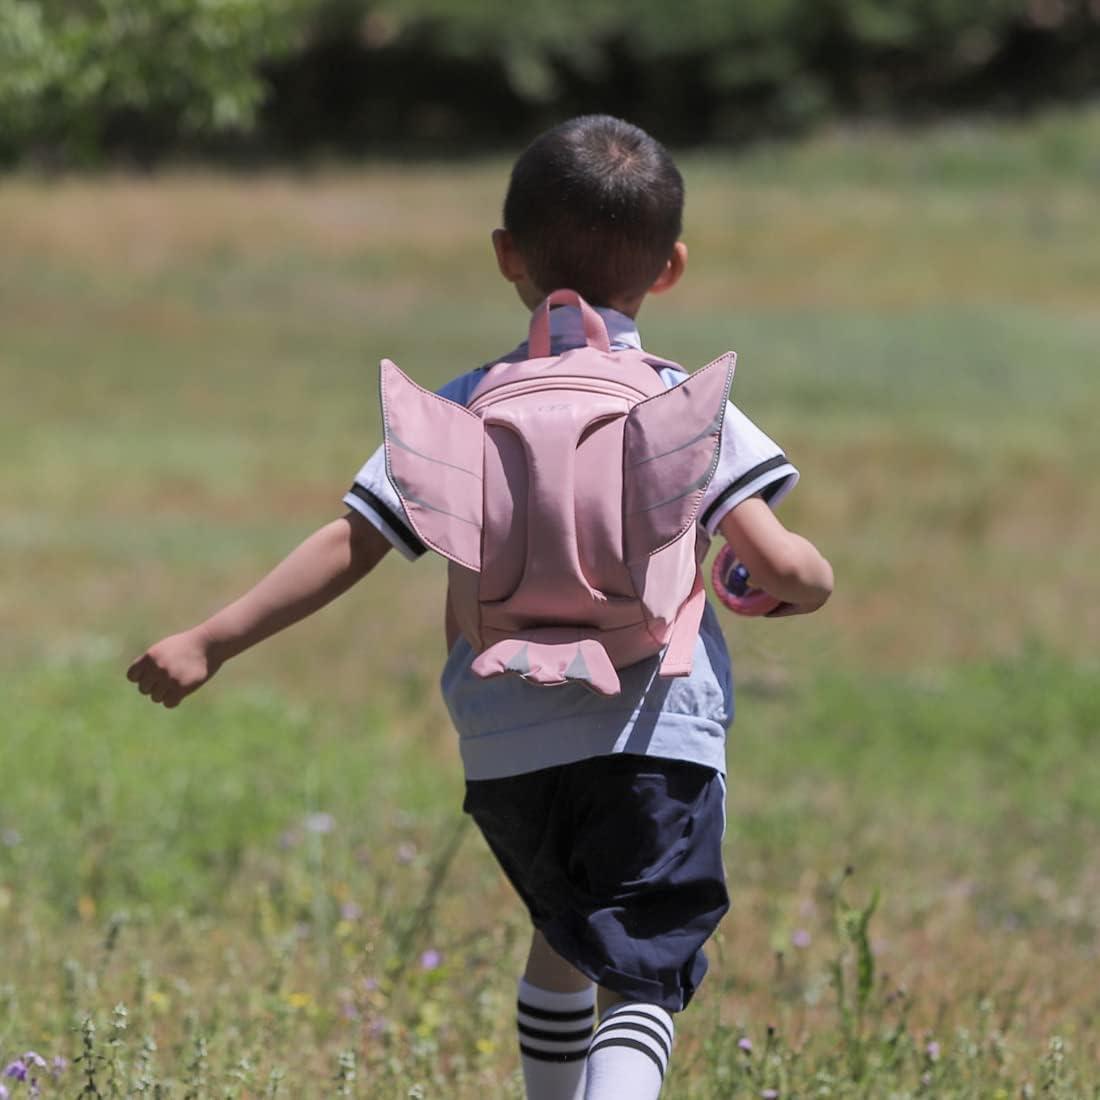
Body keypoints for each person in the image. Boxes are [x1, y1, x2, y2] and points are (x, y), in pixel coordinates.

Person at [126, 114, 833, 1099]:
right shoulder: (676, 399)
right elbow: (774, 559)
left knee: (562, 938)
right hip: (651, 729)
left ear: (506, 253)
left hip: (505, 746)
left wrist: (211, 637)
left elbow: (351, 542)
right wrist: (803, 579)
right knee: (640, 974)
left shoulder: (465, 403)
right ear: (669, 268)